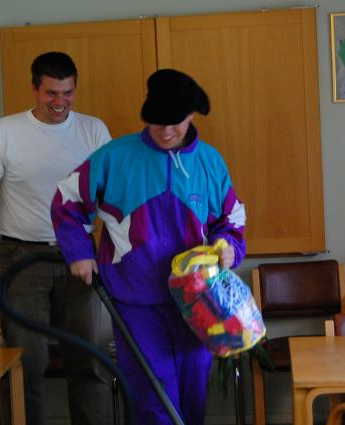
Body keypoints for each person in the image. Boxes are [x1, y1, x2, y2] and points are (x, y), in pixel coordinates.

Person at [51, 68, 247, 424]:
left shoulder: (210, 162)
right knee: (154, 397)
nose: (166, 130)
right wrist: (79, 252)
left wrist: (228, 245)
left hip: (198, 300)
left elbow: (230, 218)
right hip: (136, 301)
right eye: (158, 122)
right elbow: (68, 201)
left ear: (191, 116)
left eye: (175, 122)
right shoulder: (115, 157)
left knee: (191, 395)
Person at [0, 51, 111, 425]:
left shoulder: (93, 130)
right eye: (51, 93)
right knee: (25, 363)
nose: (60, 102)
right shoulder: (6, 131)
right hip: (22, 257)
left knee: (88, 358)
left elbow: (113, 199)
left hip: (79, 254)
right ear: (34, 89)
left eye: (67, 93)